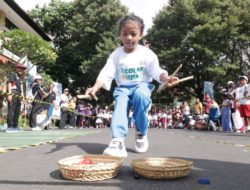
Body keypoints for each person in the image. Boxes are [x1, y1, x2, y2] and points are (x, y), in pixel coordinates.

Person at [84, 14, 178, 157]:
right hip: (123, 88)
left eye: (133, 34)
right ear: (120, 35)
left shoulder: (147, 53)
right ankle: (117, 140)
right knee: (120, 106)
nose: (129, 38)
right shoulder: (116, 55)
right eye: (125, 34)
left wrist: (166, 78)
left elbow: (156, 71)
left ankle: (141, 132)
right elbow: (106, 73)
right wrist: (95, 87)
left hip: (142, 86)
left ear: (140, 35)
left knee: (141, 96)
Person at [6, 63, 26, 132]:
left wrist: (23, 97)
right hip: (13, 92)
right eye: (20, 68)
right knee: (12, 110)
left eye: (22, 69)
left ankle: (15, 125)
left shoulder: (21, 78)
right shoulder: (13, 74)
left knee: (17, 111)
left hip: (19, 94)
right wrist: (9, 94)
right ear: (17, 68)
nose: (21, 70)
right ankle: (10, 126)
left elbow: (22, 89)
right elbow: (9, 83)